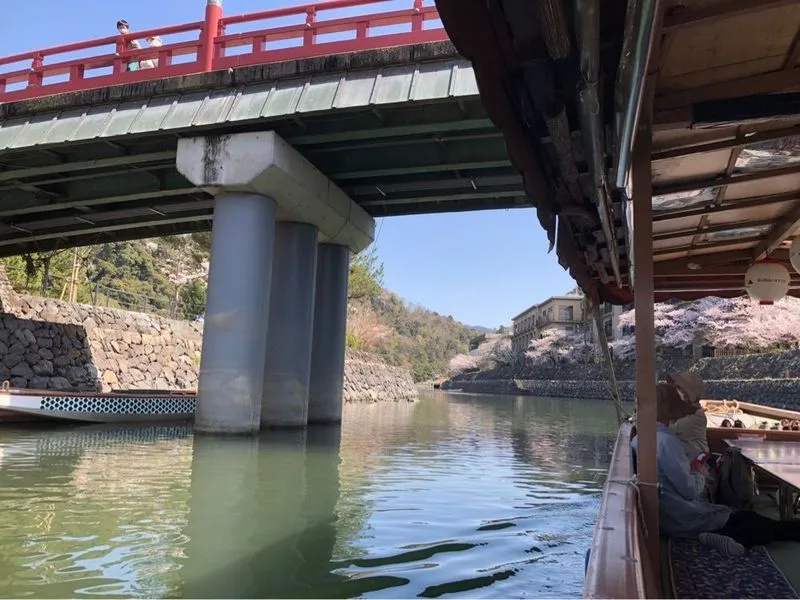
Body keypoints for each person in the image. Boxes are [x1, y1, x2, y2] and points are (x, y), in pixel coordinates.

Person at [631, 384, 800, 556]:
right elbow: (689, 491)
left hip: (667, 517)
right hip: (683, 516)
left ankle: (723, 535)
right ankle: (721, 536)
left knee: (748, 519)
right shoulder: (667, 442)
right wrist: (700, 474)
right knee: (762, 527)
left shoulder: (638, 439)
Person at [668, 371, 709, 460]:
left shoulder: (696, 415)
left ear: (687, 393)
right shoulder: (681, 409)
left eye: (678, 387)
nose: (674, 389)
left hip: (695, 463)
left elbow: (669, 429)